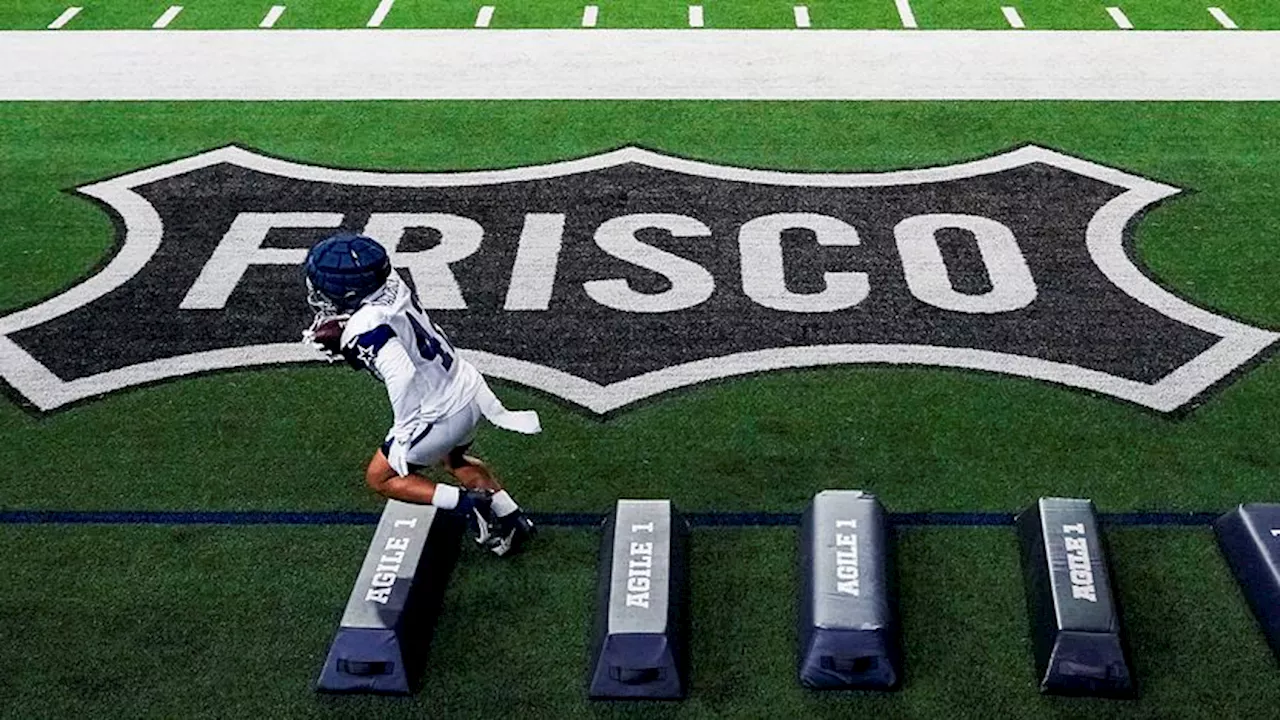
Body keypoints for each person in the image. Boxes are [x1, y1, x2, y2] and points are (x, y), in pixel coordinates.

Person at [301, 233, 540, 556]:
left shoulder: (365, 325)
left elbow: (401, 373)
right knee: (453, 458)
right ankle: (512, 518)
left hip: (439, 413)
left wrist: (403, 432)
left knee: (381, 477)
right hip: (467, 388)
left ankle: (468, 505)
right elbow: (388, 326)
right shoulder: (392, 283)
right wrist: (349, 343)